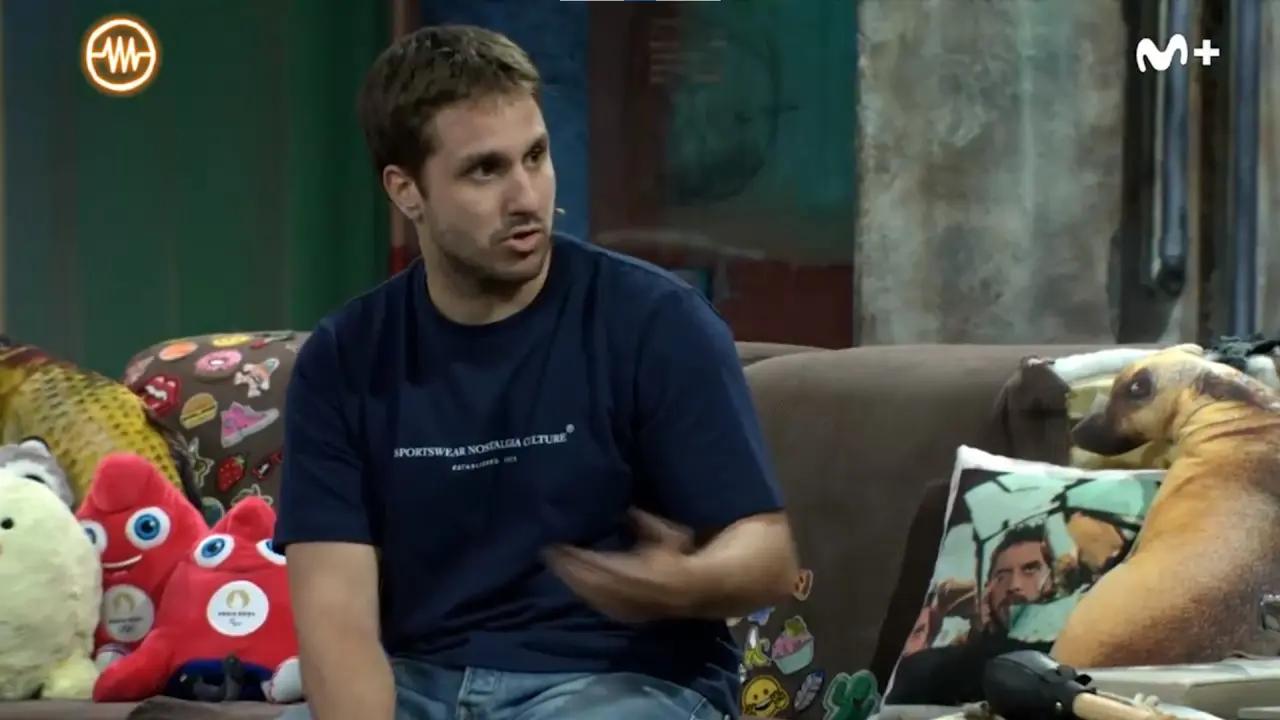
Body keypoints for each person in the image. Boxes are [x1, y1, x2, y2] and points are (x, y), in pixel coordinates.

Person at [274, 24, 798, 720]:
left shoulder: (653, 320)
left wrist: (682, 583)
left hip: (618, 684)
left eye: (536, 156)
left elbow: (768, 557)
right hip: (419, 686)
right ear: (406, 191)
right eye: (484, 170)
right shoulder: (345, 359)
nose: (526, 196)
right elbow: (338, 625)